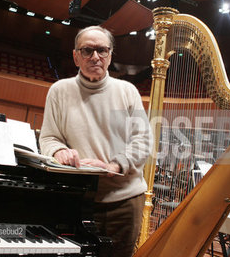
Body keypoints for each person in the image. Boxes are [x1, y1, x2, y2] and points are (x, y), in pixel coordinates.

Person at [39, 25, 152, 257]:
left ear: (110, 55)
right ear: (76, 56)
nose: (95, 57)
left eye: (102, 50)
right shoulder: (59, 91)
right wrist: (59, 150)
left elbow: (142, 141)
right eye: (87, 50)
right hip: (76, 199)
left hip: (124, 200)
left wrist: (114, 166)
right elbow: (49, 137)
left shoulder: (127, 91)